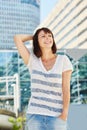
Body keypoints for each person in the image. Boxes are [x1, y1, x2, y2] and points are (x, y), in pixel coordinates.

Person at [14, 27, 73, 130]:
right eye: (43, 36)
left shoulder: (63, 60)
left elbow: (66, 90)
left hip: (56, 116)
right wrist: (34, 36)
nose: (48, 38)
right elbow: (17, 38)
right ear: (37, 40)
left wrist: (64, 114)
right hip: (35, 115)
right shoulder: (32, 61)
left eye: (50, 36)